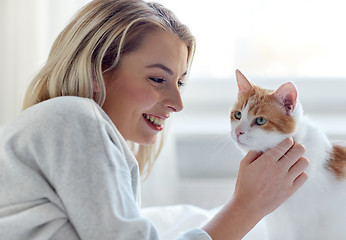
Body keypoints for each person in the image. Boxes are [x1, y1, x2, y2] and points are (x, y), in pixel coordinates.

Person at [0, 0, 309, 239]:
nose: (177, 103)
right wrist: (246, 207)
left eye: (181, 83)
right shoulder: (71, 118)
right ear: (97, 71)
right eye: (158, 79)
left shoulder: (67, 133)